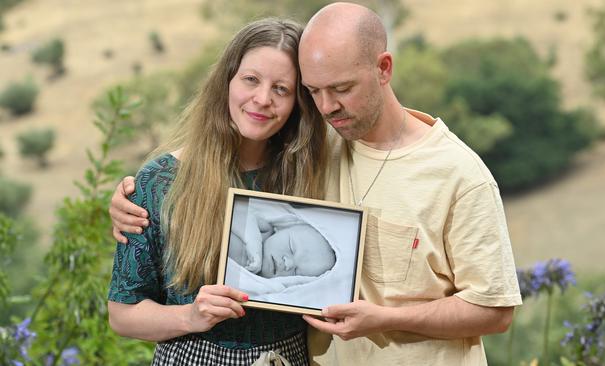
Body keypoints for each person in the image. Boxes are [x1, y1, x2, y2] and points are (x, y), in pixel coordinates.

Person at [109, 3, 522, 365]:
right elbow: (125, 307)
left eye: (340, 89)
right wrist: (128, 198)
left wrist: (387, 319)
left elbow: (495, 310)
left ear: (384, 69)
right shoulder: (310, 155)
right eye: (314, 91)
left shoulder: (452, 174)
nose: (327, 106)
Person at [107, 18, 328, 365]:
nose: (262, 99)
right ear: (227, 80)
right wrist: (189, 317)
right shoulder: (161, 181)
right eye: (251, 80)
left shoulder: (314, 174)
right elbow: (122, 313)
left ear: (300, 103)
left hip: (287, 357)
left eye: (281, 89)